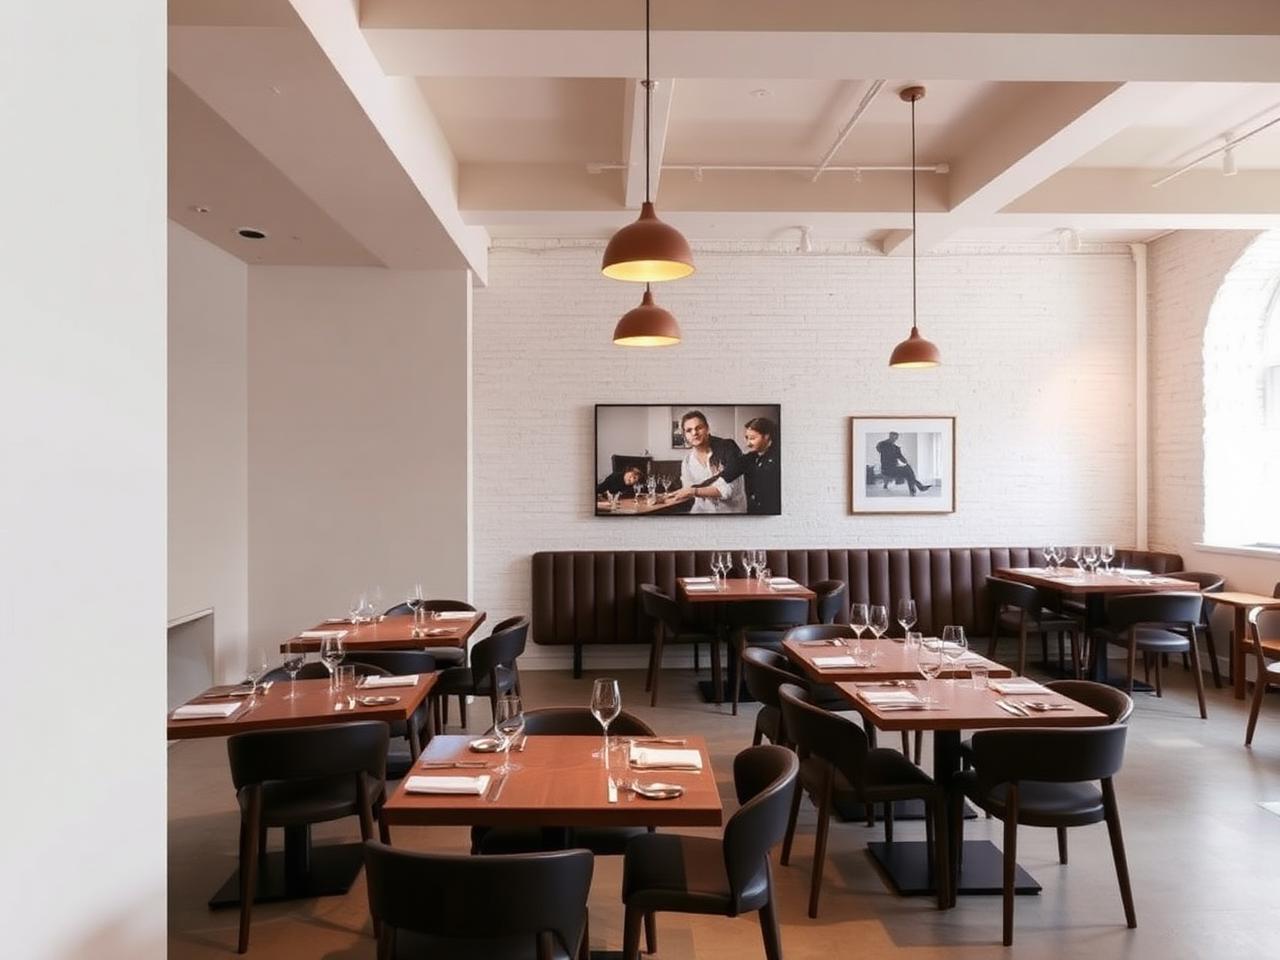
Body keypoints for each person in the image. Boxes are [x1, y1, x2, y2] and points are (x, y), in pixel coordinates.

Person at [667, 410, 746, 513]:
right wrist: (666, 498)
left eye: (699, 428)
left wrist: (693, 491)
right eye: (689, 430)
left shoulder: (728, 448)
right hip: (701, 512)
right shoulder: (687, 461)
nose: (694, 433)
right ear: (684, 435)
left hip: (731, 513)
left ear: (707, 428)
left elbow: (727, 491)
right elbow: (688, 490)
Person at [711, 416, 780, 515]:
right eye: (746, 438)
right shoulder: (750, 457)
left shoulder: (778, 458)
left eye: (752, 438)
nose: (748, 444)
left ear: (766, 436)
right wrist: (696, 489)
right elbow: (727, 474)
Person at [875, 431, 931, 495]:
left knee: (908, 471)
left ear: (897, 438)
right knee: (908, 471)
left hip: (894, 468)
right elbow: (878, 448)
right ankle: (918, 488)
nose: (893, 439)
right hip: (886, 469)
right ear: (889, 436)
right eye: (891, 437)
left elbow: (902, 458)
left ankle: (916, 489)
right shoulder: (882, 444)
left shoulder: (896, 448)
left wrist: (906, 462)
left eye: (895, 438)